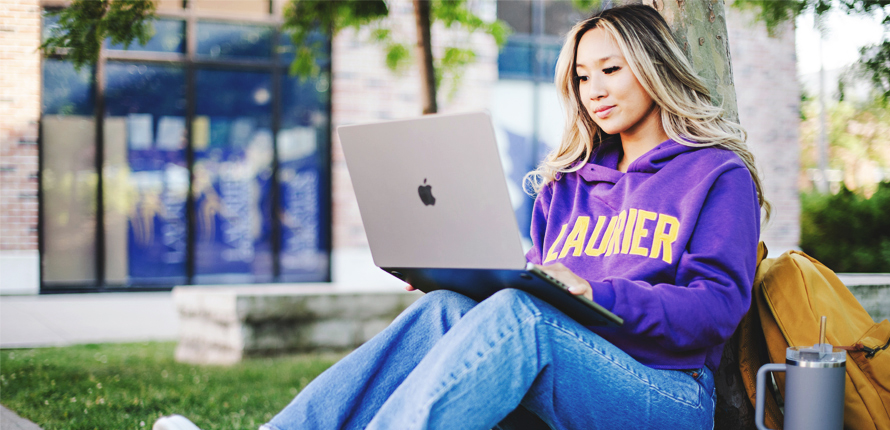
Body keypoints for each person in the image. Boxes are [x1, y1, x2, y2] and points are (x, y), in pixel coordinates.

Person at [155, 4, 768, 430]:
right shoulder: (567, 183)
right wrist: (454, 274)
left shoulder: (716, 175)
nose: (595, 90)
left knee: (520, 316)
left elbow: (715, 310)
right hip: (567, 369)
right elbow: (535, 290)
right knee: (444, 309)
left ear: (654, 68)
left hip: (664, 395)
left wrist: (597, 292)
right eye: (582, 77)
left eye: (611, 69)